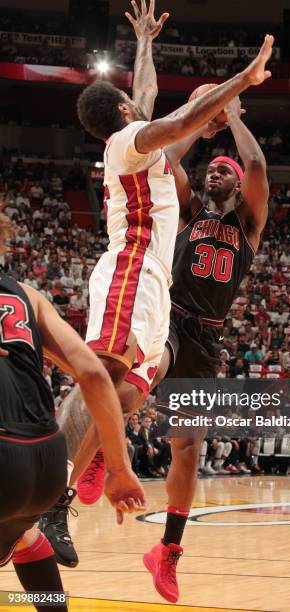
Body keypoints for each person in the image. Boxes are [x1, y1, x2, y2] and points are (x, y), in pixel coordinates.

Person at [40, 0, 274, 569]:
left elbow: (148, 101)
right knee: (101, 370)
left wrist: (145, 43)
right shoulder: (131, 142)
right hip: (135, 267)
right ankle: (53, 495)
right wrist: (239, 83)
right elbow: (174, 124)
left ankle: (73, 496)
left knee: (119, 383)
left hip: (157, 292)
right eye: (134, 105)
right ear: (125, 111)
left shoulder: (136, 143)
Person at [77, 80, 271, 601]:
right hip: (170, 316)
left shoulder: (250, 225)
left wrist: (233, 116)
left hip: (207, 338)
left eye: (223, 171)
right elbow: (163, 155)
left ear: (234, 185)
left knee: (188, 449)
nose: (217, 171)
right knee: (136, 386)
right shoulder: (186, 212)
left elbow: (256, 168)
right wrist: (205, 120)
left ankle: (167, 552)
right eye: (213, 168)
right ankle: (102, 456)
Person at [0, 213, 145, 609]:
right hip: (48, 464)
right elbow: (95, 375)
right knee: (24, 534)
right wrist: (118, 467)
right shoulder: (29, 296)